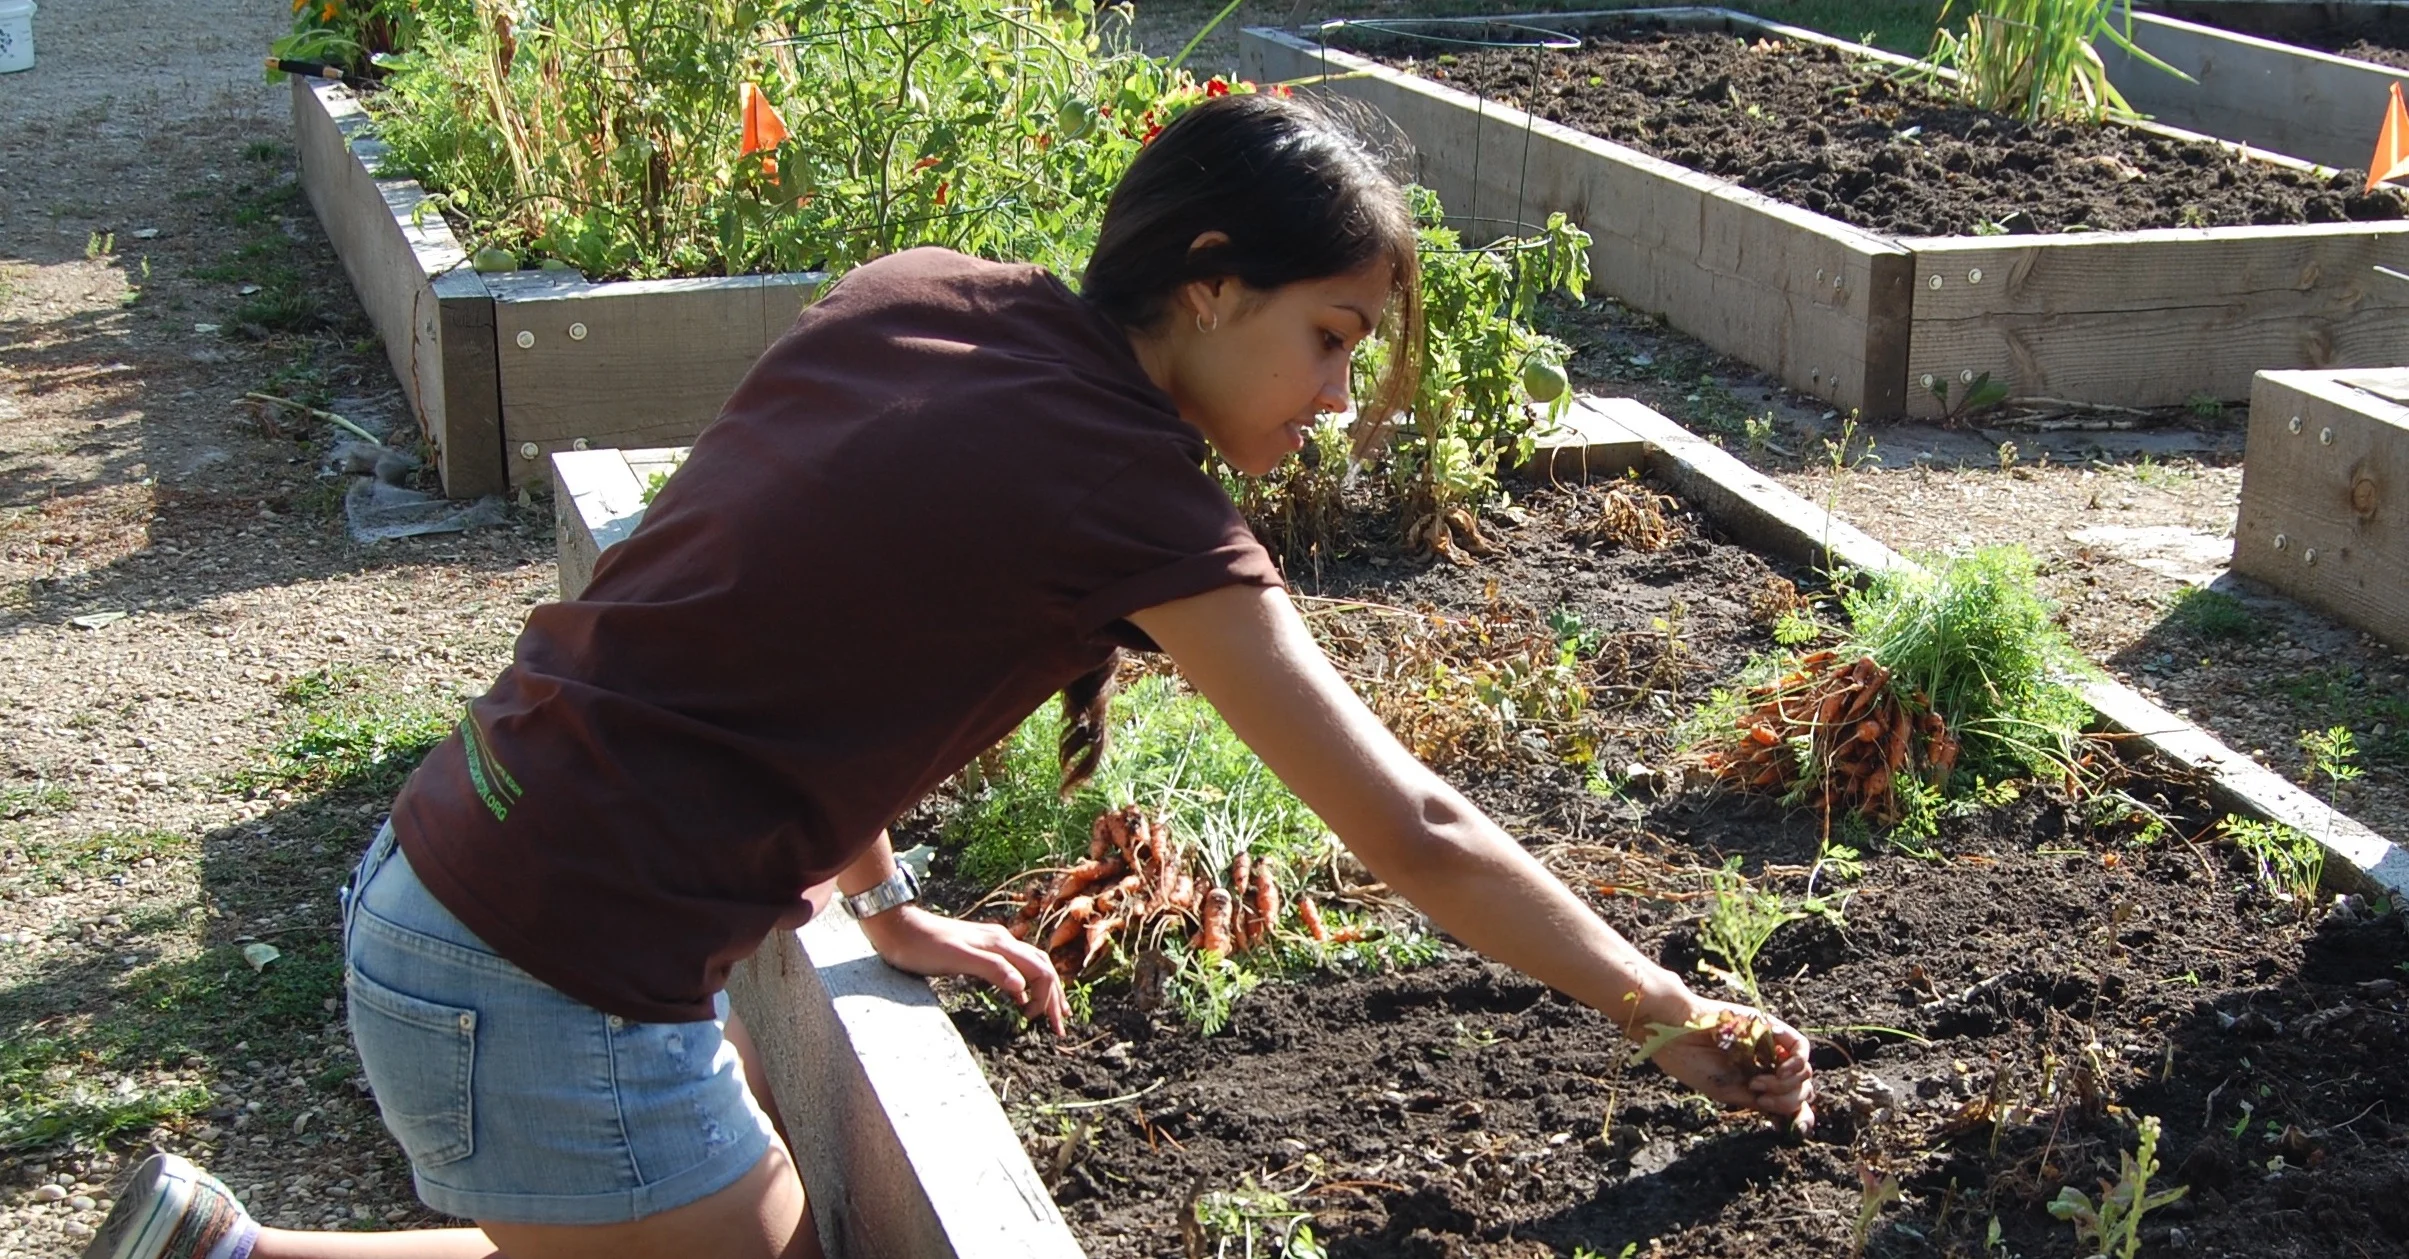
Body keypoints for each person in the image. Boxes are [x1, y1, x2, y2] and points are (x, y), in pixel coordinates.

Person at [85, 91, 1813, 1259]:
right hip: (549, 966)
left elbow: (782, 601)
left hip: (460, 863)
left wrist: (883, 903)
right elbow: (1414, 824)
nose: (1340, 396)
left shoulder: (933, 294)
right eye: (1333, 338)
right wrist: (1664, 1010)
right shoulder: (1136, 502)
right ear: (1212, 290)